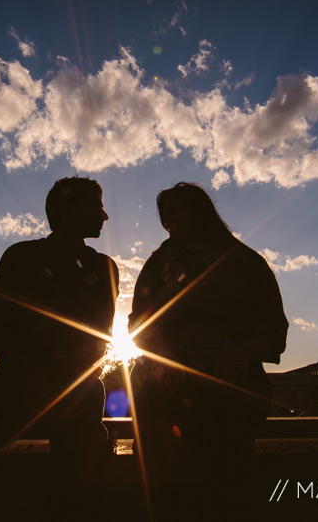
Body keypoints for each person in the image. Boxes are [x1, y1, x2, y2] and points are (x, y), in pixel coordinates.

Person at [0, 177, 117, 518]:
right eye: (95, 205)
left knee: (84, 460)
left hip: (72, 386)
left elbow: (99, 338)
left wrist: (60, 379)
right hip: (19, 380)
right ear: (65, 210)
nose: (104, 216)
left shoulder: (103, 267)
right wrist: (35, 375)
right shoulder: (20, 256)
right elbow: (0, 330)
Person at [128, 182, 288, 517]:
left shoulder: (246, 263)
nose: (169, 220)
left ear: (200, 211)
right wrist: (164, 360)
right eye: (165, 214)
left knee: (226, 473)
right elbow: (139, 324)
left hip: (230, 375)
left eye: (176, 210)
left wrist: (242, 353)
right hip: (167, 376)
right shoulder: (158, 265)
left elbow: (273, 326)